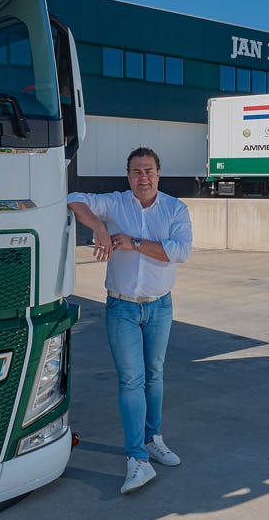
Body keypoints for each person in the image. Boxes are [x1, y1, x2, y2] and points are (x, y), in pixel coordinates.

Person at [67, 147, 192, 495]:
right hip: (121, 307)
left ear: (158, 173)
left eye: (149, 170)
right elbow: (74, 198)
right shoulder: (116, 203)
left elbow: (180, 251)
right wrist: (99, 229)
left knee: (154, 374)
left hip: (159, 306)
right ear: (128, 176)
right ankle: (137, 459)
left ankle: (153, 438)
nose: (143, 177)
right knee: (131, 380)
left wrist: (134, 243)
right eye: (136, 171)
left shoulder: (175, 208)